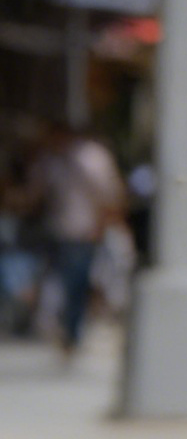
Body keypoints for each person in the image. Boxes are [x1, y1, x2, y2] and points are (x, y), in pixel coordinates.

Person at [23, 120, 127, 358]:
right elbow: (37, 194)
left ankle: (72, 333)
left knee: (76, 284)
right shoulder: (51, 160)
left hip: (84, 232)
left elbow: (109, 195)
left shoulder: (91, 158)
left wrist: (102, 227)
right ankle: (62, 329)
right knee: (57, 282)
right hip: (57, 230)